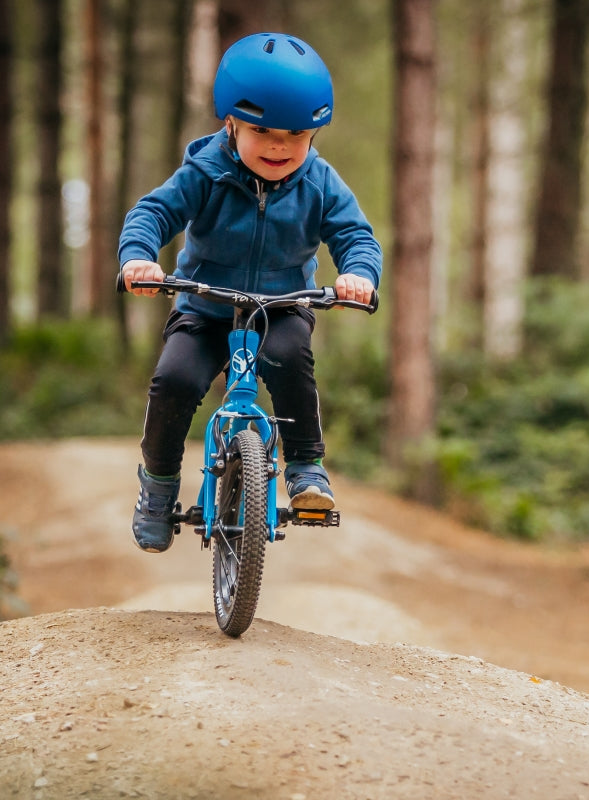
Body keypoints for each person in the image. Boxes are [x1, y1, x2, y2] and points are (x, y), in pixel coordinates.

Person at [118, 32, 383, 553]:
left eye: (296, 133)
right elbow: (153, 212)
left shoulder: (321, 183)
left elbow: (355, 236)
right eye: (262, 130)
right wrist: (138, 257)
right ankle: (159, 485)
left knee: (289, 358)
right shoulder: (206, 172)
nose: (280, 146)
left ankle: (307, 469)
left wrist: (359, 274)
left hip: (282, 308)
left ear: (315, 133)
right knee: (174, 379)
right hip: (205, 305)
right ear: (230, 123)